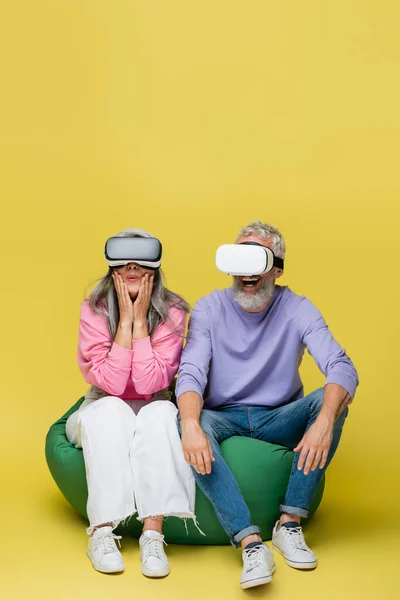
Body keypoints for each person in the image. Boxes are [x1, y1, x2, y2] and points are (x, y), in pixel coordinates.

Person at [176, 220, 358, 589]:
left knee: (331, 400)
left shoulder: (298, 308)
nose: (248, 272)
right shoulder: (209, 309)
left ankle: (289, 522)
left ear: (276, 269)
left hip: (279, 416)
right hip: (221, 416)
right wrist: (192, 424)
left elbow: (341, 366)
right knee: (188, 419)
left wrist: (324, 419)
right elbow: (191, 371)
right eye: (240, 258)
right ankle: (249, 542)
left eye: (258, 259)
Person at [66, 228, 195, 576]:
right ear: (111, 268)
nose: (133, 267)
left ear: (155, 267)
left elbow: (151, 382)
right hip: (101, 405)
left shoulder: (174, 311)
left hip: (152, 404)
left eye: (141, 260)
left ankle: (153, 536)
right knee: (111, 411)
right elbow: (110, 383)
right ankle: (102, 531)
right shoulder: (93, 309)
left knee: (162, 414)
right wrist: (125, 320)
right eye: (123, 262)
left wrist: (141, 323)